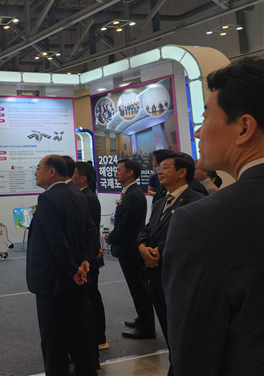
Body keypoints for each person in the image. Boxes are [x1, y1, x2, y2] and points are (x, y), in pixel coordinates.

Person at [163, 57, 264, 375]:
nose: (197, 131)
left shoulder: (201, 222)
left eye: (206, 116)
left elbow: (193, 357)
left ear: (244, 127)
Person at [27, 155, 97, 376]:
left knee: (54, 340)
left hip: (54, 280)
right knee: (79, 333)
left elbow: (56, 240)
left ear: (51, 172)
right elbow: (91, 232)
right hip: (77, 277)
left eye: (38, 168)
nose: (35, 172)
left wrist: (73, 269)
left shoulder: (48, 199)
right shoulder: (77, 193)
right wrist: (85, 261)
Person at [136, 152, 205, 375]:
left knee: (183, 332)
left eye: (165, 167)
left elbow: (192, 237)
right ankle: (175, 365)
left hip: (180, 277)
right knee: (167, 327)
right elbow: (147, 229)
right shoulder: (160, 201)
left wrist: (159, 251)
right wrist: (142, 247)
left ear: (182, 172)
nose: (159, 171)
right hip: (157, 276)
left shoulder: (197, 200)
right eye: (159, 167)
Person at [104, 159, 155, 339]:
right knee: (136, 288)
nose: (116, 173)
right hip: (127, 247)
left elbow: (127, 225)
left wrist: (111, 237)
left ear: (130, 172)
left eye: (119, 170)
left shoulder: (134, 194)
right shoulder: (129, 192)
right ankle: (142, 319)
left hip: (131, 249)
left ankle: (147, 328)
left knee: (139, 288)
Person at [72, 161, 108, 352]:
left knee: (92, 296)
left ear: (83, 178)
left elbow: (90, 231)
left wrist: (91, 254)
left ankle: (99, 337)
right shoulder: (81, 195)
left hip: (90, 256)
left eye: (73, 174)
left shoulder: (89, 198)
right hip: (88, 254)